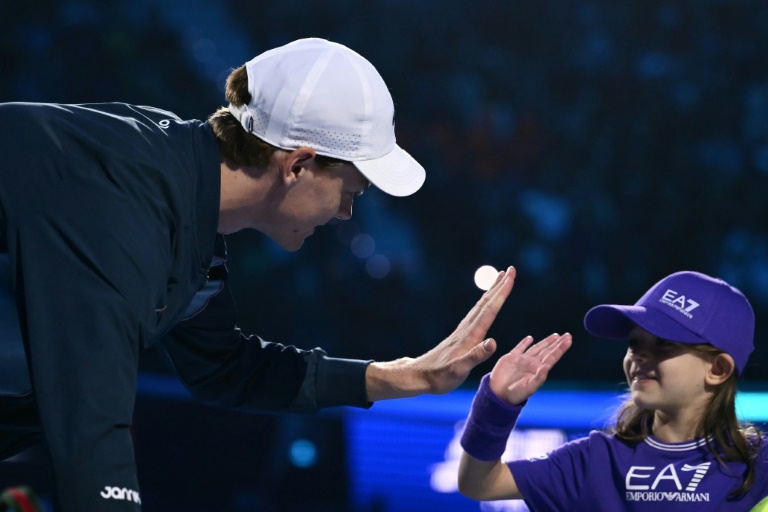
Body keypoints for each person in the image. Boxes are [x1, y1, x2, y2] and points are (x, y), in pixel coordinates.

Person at [0, 38, 517, 511]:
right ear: (296, 164)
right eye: (351, 192)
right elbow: (92, 438)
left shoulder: (181, 193)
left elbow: (225, 368)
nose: (345, 215)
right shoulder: (125, 206)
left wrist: (408, 376)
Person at [457, 270, 768, 510]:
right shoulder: (593, 460)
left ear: (718, 370)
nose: (638, 355)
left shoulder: (759, 464)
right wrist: (496, 405)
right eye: (635, 342)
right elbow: (480, 484)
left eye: (664, 344)